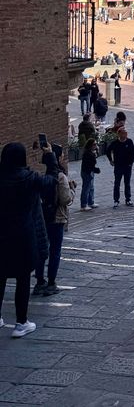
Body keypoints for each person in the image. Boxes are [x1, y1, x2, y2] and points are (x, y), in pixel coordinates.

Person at [0, 142, 56, 337]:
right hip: (23, 236)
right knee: (22, 279)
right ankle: (21, 323)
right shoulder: (29, 178)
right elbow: (51, 181)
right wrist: (50, 157)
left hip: (1, 234)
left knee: (1, 276)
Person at [33, 147, 75, 297]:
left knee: (42, 249)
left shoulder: (42, 176)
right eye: (62, 154)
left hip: (44, 216)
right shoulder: (61, 176)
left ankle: (39, 281)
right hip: (57, 217)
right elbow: (65, 199)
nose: (64, 157)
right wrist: (72, 190)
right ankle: (51, 282)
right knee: (55, 251)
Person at [107, 126, 134, 208]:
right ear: (119, 134)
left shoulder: (129, 142)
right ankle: (116, 200)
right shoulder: (115, 143)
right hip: (118, 166)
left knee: (127, 183)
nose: (125, 135)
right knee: (117, 183)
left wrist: (131, 163)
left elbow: (132, 154)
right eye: (123, 133)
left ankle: (128, 199)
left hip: (127, 166)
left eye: (126, 133)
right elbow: (108, 151)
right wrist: (111, 160)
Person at [80, 139, 100, 211]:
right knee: (86, 188)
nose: (95, 145)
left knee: (91, 187)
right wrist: (96, 170)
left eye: (96, 144)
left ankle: (91, 202)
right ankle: (83, 205)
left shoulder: (91, 152)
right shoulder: (88, 153)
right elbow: (89, 165)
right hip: (87, 172)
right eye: (94, 144)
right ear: (90, 145)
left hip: (89, 172)